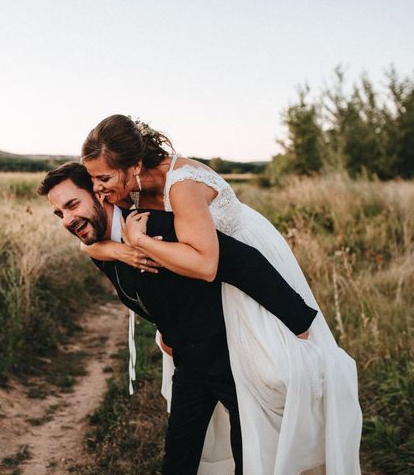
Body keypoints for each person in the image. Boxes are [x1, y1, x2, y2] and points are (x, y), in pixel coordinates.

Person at [80, 115, 362, 475]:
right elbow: (92, 243)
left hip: (248, 275)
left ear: (134, 166)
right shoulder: (129, 189)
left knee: (272, 378)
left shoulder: (181, 184)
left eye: (103, 178)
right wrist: (119, 251)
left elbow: (206, 265)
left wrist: (140, 241)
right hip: (211, 290)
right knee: (213, 389)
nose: (99, 189)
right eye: (92, 180)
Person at [37, 162, 318, 474]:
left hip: (232, 360)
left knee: (250, 458)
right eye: (59, 213)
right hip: (189, 363)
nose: (68, 219)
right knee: (178, 460)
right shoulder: (99, 243)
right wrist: (167, 332)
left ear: (101, 195)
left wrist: (300, 321)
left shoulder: (157, 226)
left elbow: (242, 262)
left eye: (72, 205)